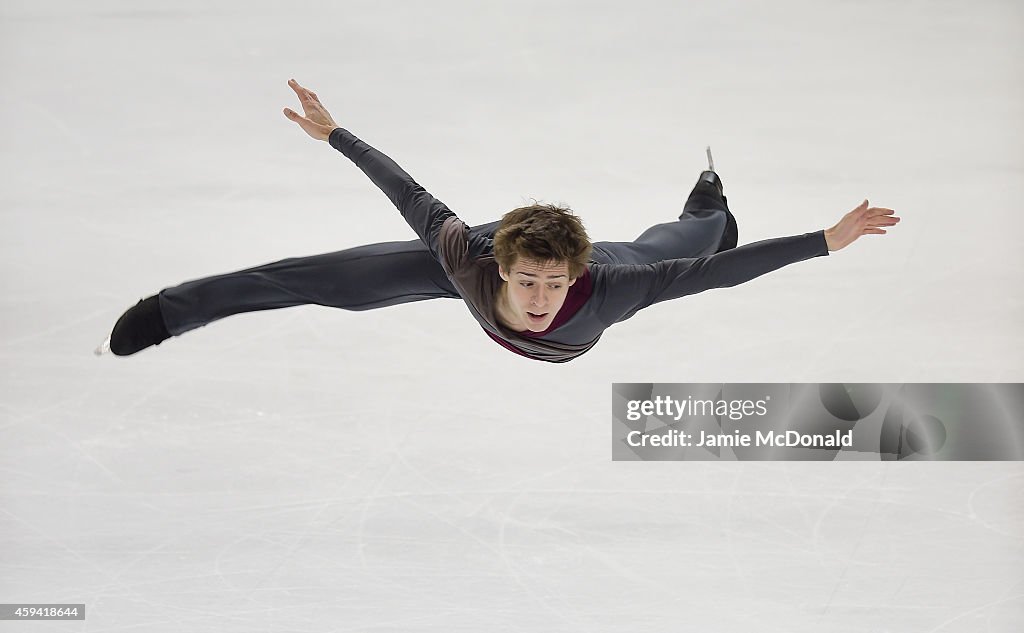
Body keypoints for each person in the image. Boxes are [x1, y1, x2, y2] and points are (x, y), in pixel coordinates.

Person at [96, 79, 900, 363]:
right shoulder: (468, 256)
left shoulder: (607, 287)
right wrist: (334, 132)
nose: (545, 296)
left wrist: (825, 241)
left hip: (624, 262)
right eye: (532, 280)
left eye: (555, 280)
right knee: (327, 277)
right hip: (468, 268)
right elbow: (404, 189)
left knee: (685, 243)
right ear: (506, 268)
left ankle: (709, 204)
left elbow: (720, 271)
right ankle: (175, 309)